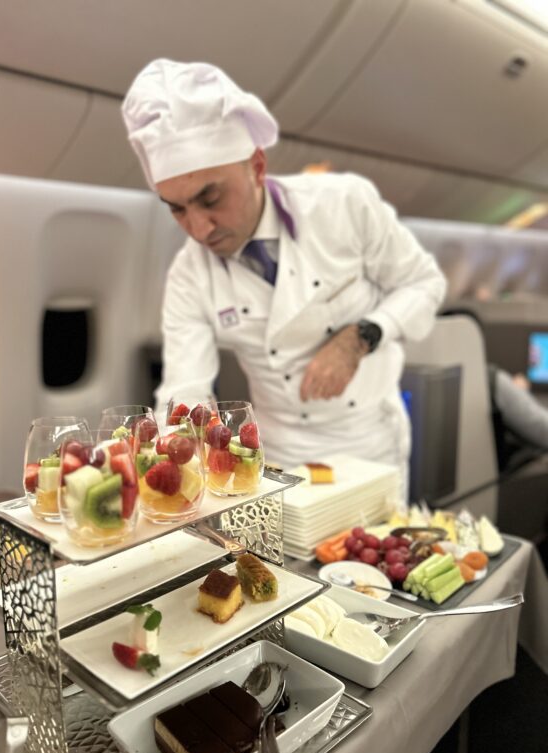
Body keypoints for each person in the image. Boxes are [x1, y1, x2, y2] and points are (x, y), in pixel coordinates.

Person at [121, 59, 447, 489]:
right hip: (278, 456)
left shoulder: (343, 204)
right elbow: (185, 390)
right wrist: (166, 464)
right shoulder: (189, 273)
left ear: (257, 166)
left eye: (211, 198)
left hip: (367, 443)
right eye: (177, 209)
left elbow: (425, 283)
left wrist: (361, 336)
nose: (199, 229)